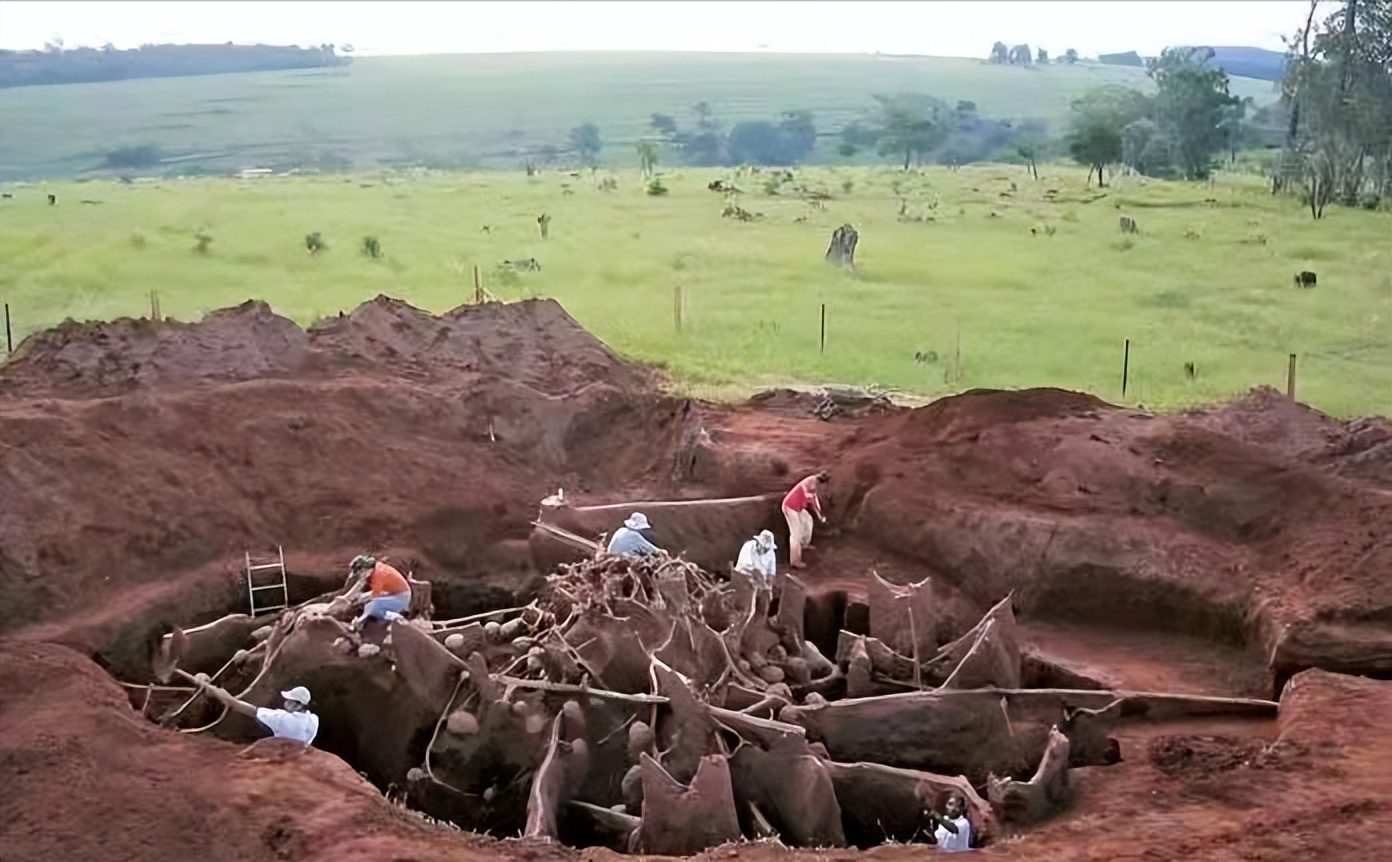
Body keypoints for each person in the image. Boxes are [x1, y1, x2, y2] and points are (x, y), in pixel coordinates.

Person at [192, 676, 320, 745]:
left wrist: (213, 690)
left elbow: (240, 707)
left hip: (283, 753)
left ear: (296, 704)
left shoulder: (281, 719)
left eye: (288, 700)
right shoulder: (314, 720)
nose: (285, 702)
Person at [347, 554, 412, 631]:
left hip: (401, 598)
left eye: (360, 573)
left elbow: (374, 595)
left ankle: (397, 618)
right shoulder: (377, 567)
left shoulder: (378, 576)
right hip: (395, 594)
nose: (361, 576)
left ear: (365, 569)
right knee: (371, 605)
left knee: (373, 606)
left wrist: (361, 598)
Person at [782, 471, 828, 569]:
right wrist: (819, 515)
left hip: (798, 507)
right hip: (790, 507)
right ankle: (795, 561)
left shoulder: (813, 483)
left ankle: (804, 543)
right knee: (795, 534)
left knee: (808, 520)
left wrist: (819, 513)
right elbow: (812, 503)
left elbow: (815, 500)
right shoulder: (811, 481)